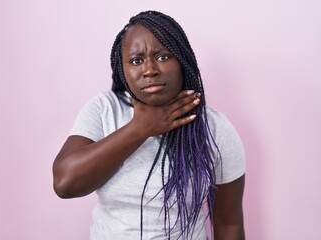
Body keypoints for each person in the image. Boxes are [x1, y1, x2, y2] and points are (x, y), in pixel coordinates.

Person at [52, 10, 246, 240]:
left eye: (163, 57)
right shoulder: (105, 109)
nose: (149, 70)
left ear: (183, 60)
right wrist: (141, 127)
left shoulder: (213, 128)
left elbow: (228, 223)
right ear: (122, 69)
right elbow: (65, 184)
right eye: (136, 61)